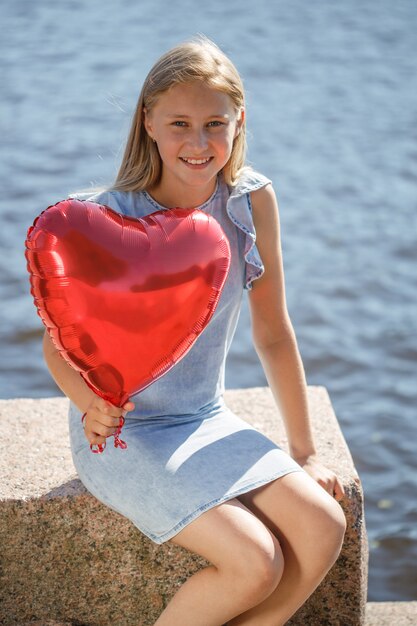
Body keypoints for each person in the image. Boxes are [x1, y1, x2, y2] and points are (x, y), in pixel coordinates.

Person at [43, 35, 347, 626]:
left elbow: (275, 334)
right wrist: (88, 402)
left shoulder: (250, 203)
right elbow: (57, 348)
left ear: (239, 122)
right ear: (148, 121)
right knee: (255, 561)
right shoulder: (104, 219)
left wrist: (305, 452)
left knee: (322, 525)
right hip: (121, 432)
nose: (199, 141)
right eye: (179, 122)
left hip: (204, 418)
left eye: (215, 123)